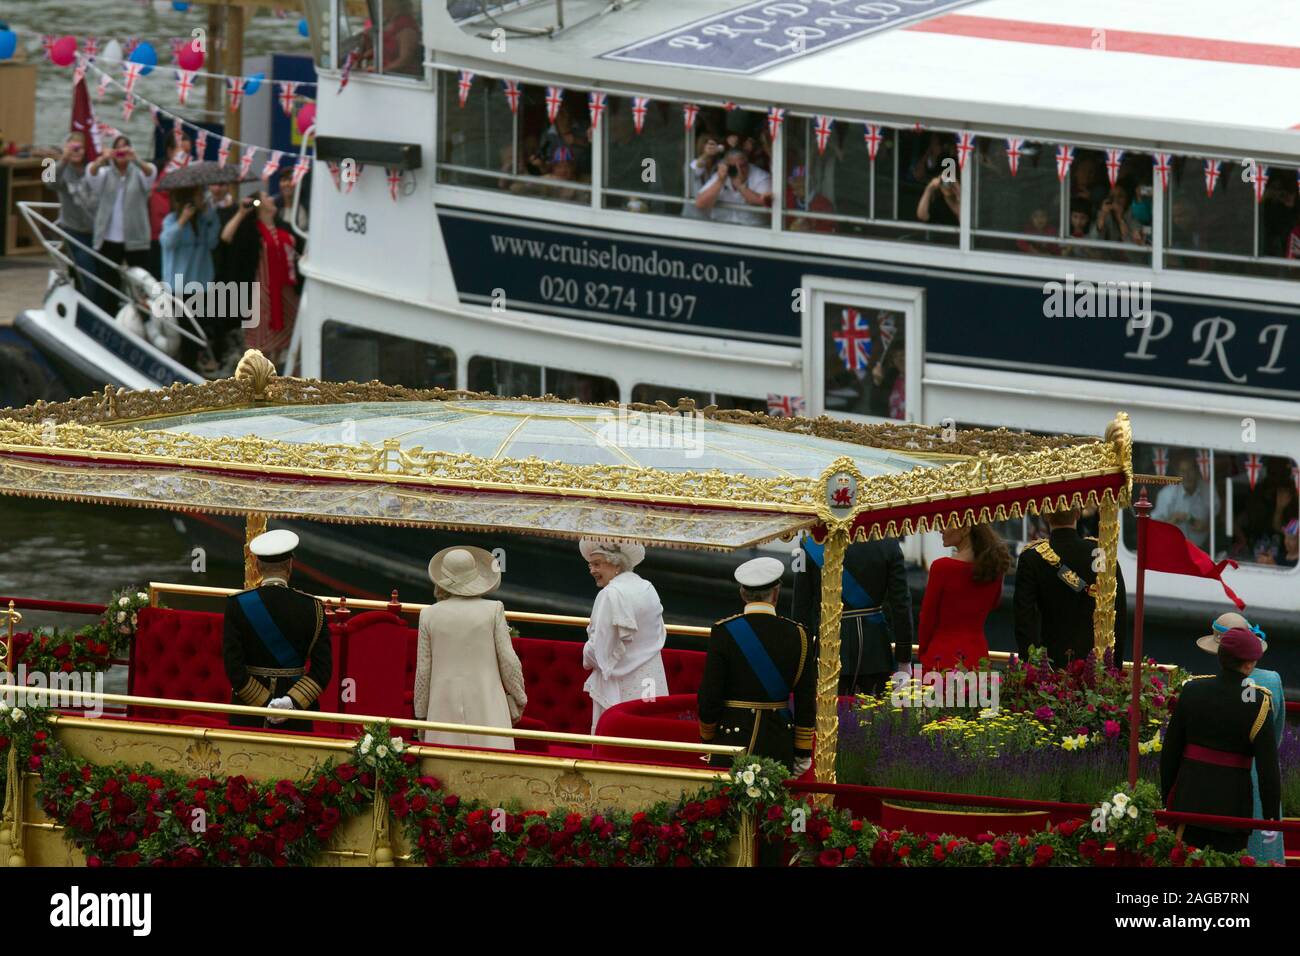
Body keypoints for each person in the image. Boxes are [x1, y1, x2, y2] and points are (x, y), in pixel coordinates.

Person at [1161, 627, 1281, 854]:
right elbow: (1268, 770)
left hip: (1189, 803)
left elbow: (1170, 751)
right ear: (1248, 664)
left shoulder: (1192, 690)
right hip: (1233, 811)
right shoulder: (1259, 702)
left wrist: (1166, 796)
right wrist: (1270, 816)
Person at [699, 557, 815, 776]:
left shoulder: (723, 632)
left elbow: (709, 695)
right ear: (777, 592)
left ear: (743, 594)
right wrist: (802, 751)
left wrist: (708, 739)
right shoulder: (798, 635)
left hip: (731, 740)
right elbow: (805, 698)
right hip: (778, 742)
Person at [413, 547, 527, 750]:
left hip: (442, 709)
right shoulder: (493, 610)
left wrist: (421, 714)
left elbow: (423, 671)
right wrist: (519, 698)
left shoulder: (428, 615)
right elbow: (509, 661)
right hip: (488, 706)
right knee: (494, 772)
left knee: (445, 774)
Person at [1194, 612, 1285, 864]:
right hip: (1264, 775)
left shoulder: (1200, 686)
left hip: (1220, 782)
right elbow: (1275, 735)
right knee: (1265, 852)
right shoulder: (1273, 681)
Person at [222, 530, 331, 733]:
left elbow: (233, 668)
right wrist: (290, 702)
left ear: (257, 566)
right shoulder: (313, 607)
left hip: (248, 713)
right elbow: (322, 670)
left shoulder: (237, 604)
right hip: (297, 714)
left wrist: (265, 704)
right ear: (290, 566)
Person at [792, 534, 913, 696]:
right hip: (875, 651)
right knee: (875, 718)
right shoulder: (888, 542)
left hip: (829, 649)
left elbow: (801, 605)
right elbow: (901, 603)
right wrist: (904, 658)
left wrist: (801, 658)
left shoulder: (808, 543)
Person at [1014, 506, 1129, 664]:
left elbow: (1024, 619)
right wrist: (1114, 668)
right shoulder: (1101, 553)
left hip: (1048, 668)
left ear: (1046, 515)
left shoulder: (1032, 557)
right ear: (1078, 513)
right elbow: (1118, 614)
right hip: (1095, 668)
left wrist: (1031, 667)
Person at [579, 539, 668, 733]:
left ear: (616, 564)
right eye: (590, 565)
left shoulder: (610, 595)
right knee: (649, 736)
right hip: (651, 680)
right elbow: (659, 633)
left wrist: (585, 654)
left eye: (597, 564)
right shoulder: (647, 587)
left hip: (620, 686)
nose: (591, 570)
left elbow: (598, 652)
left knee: (618, 744)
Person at [219, 191, 300, 369]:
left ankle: (277, 368)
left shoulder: (284, 226)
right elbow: (226, 237)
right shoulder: (251, 230)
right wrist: (241, 212)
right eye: (266, 197)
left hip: (285, 290)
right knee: (260, 336)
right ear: (260, 204)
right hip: (261, 290)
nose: (272, 198)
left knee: (285, 333)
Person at [916, 523, 1010, 670]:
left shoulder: (942, 567)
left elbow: (927, 618)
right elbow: (993, 604)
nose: (941, 528)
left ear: (966, 529)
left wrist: (923, 653)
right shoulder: (995, 568)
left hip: (941, 657)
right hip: (978, 657)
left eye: (946, 523)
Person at [85, 134, 157, 313]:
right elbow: (91, 174)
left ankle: (142, 316)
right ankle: (109, 316)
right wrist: (103, 159)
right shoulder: (106, 173)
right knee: (109, 283)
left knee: (139, 283)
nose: (121, 151)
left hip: (135, 238)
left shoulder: (139, 172)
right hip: (109, 238)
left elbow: (151, 175)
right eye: (118, 147)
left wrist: (136, 159)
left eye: (126, 147)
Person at [159, 185, 220, 371]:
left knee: (197, 330)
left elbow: (212, 242)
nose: (203, 198)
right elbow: (167, 242)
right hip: (178, 286)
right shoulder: (172, 220)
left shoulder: (203, 220)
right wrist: (182, 221)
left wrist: (210, 216)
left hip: (200, 284)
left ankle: (192, 366)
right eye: (199, 194)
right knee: (183, 332)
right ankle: (184, 367)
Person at [45, 132, 98, 298]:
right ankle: (85, 306)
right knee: (86, 273)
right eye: (72, 147)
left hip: (96, 231)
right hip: (74, 230)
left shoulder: (93, 168)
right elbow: (49, 182)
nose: (76, 151)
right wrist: (64, 159)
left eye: (80, 148)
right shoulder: (61, 168)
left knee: (95, 273)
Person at [693, 147, 772, 226]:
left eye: (743, 166)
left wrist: (740, 186)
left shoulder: (761, 176)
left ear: (748, 163)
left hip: (753, 229)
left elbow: (763, 202)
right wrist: (720, 181)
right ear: (726, 166)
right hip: (721, 228)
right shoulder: (721, 175)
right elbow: (700, 204)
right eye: (734, 167)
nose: (739, 170)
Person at [1151, 451, 1212, 550]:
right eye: (1182, 471)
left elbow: (1220, 520)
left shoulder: (1209, 491)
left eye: (1190, 470)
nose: (1187, 476)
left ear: (1197, 471)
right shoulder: (1166, 495)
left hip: (1204, 551)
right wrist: (1171, 521)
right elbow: (1153, 531)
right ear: (1177, 474)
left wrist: (1207, 526)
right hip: (1171, 550)